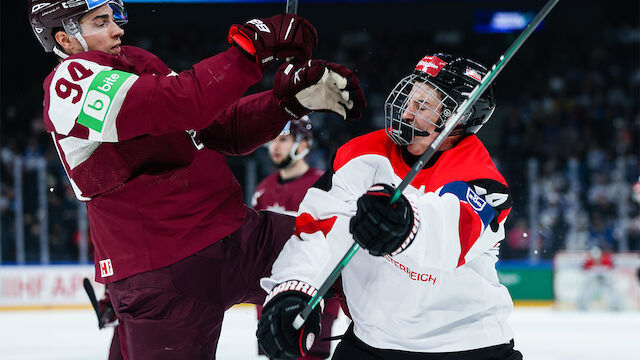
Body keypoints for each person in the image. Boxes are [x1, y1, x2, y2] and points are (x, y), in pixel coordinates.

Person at [28, 1, 365, 359]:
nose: (117, 30)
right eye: (101, 22)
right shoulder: (68, 82)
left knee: (351, 261)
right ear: (65, 39)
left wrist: (286, 103)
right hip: (165, 273)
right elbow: (181, 102)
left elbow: (219, 129)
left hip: (237, 235)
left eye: (114, 19)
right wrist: (252, 48)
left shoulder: (136, 62)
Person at [257, 53, 522, 360]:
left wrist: (407, 224)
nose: (407, 113)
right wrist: (295, 289)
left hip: (469, 348)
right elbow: (320, 229)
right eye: (410, 98)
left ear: (456, 116)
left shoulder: (482, 178)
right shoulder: (361, 155)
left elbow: (454, 232)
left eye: (422, 106)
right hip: (370, 345)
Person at [252, 116, 342, 359]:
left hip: (313, 301)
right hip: (269, 298)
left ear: (302, 145)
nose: (275, 147)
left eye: (282, 139)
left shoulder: (321, 185)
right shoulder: (263, 188)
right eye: (272, 141)